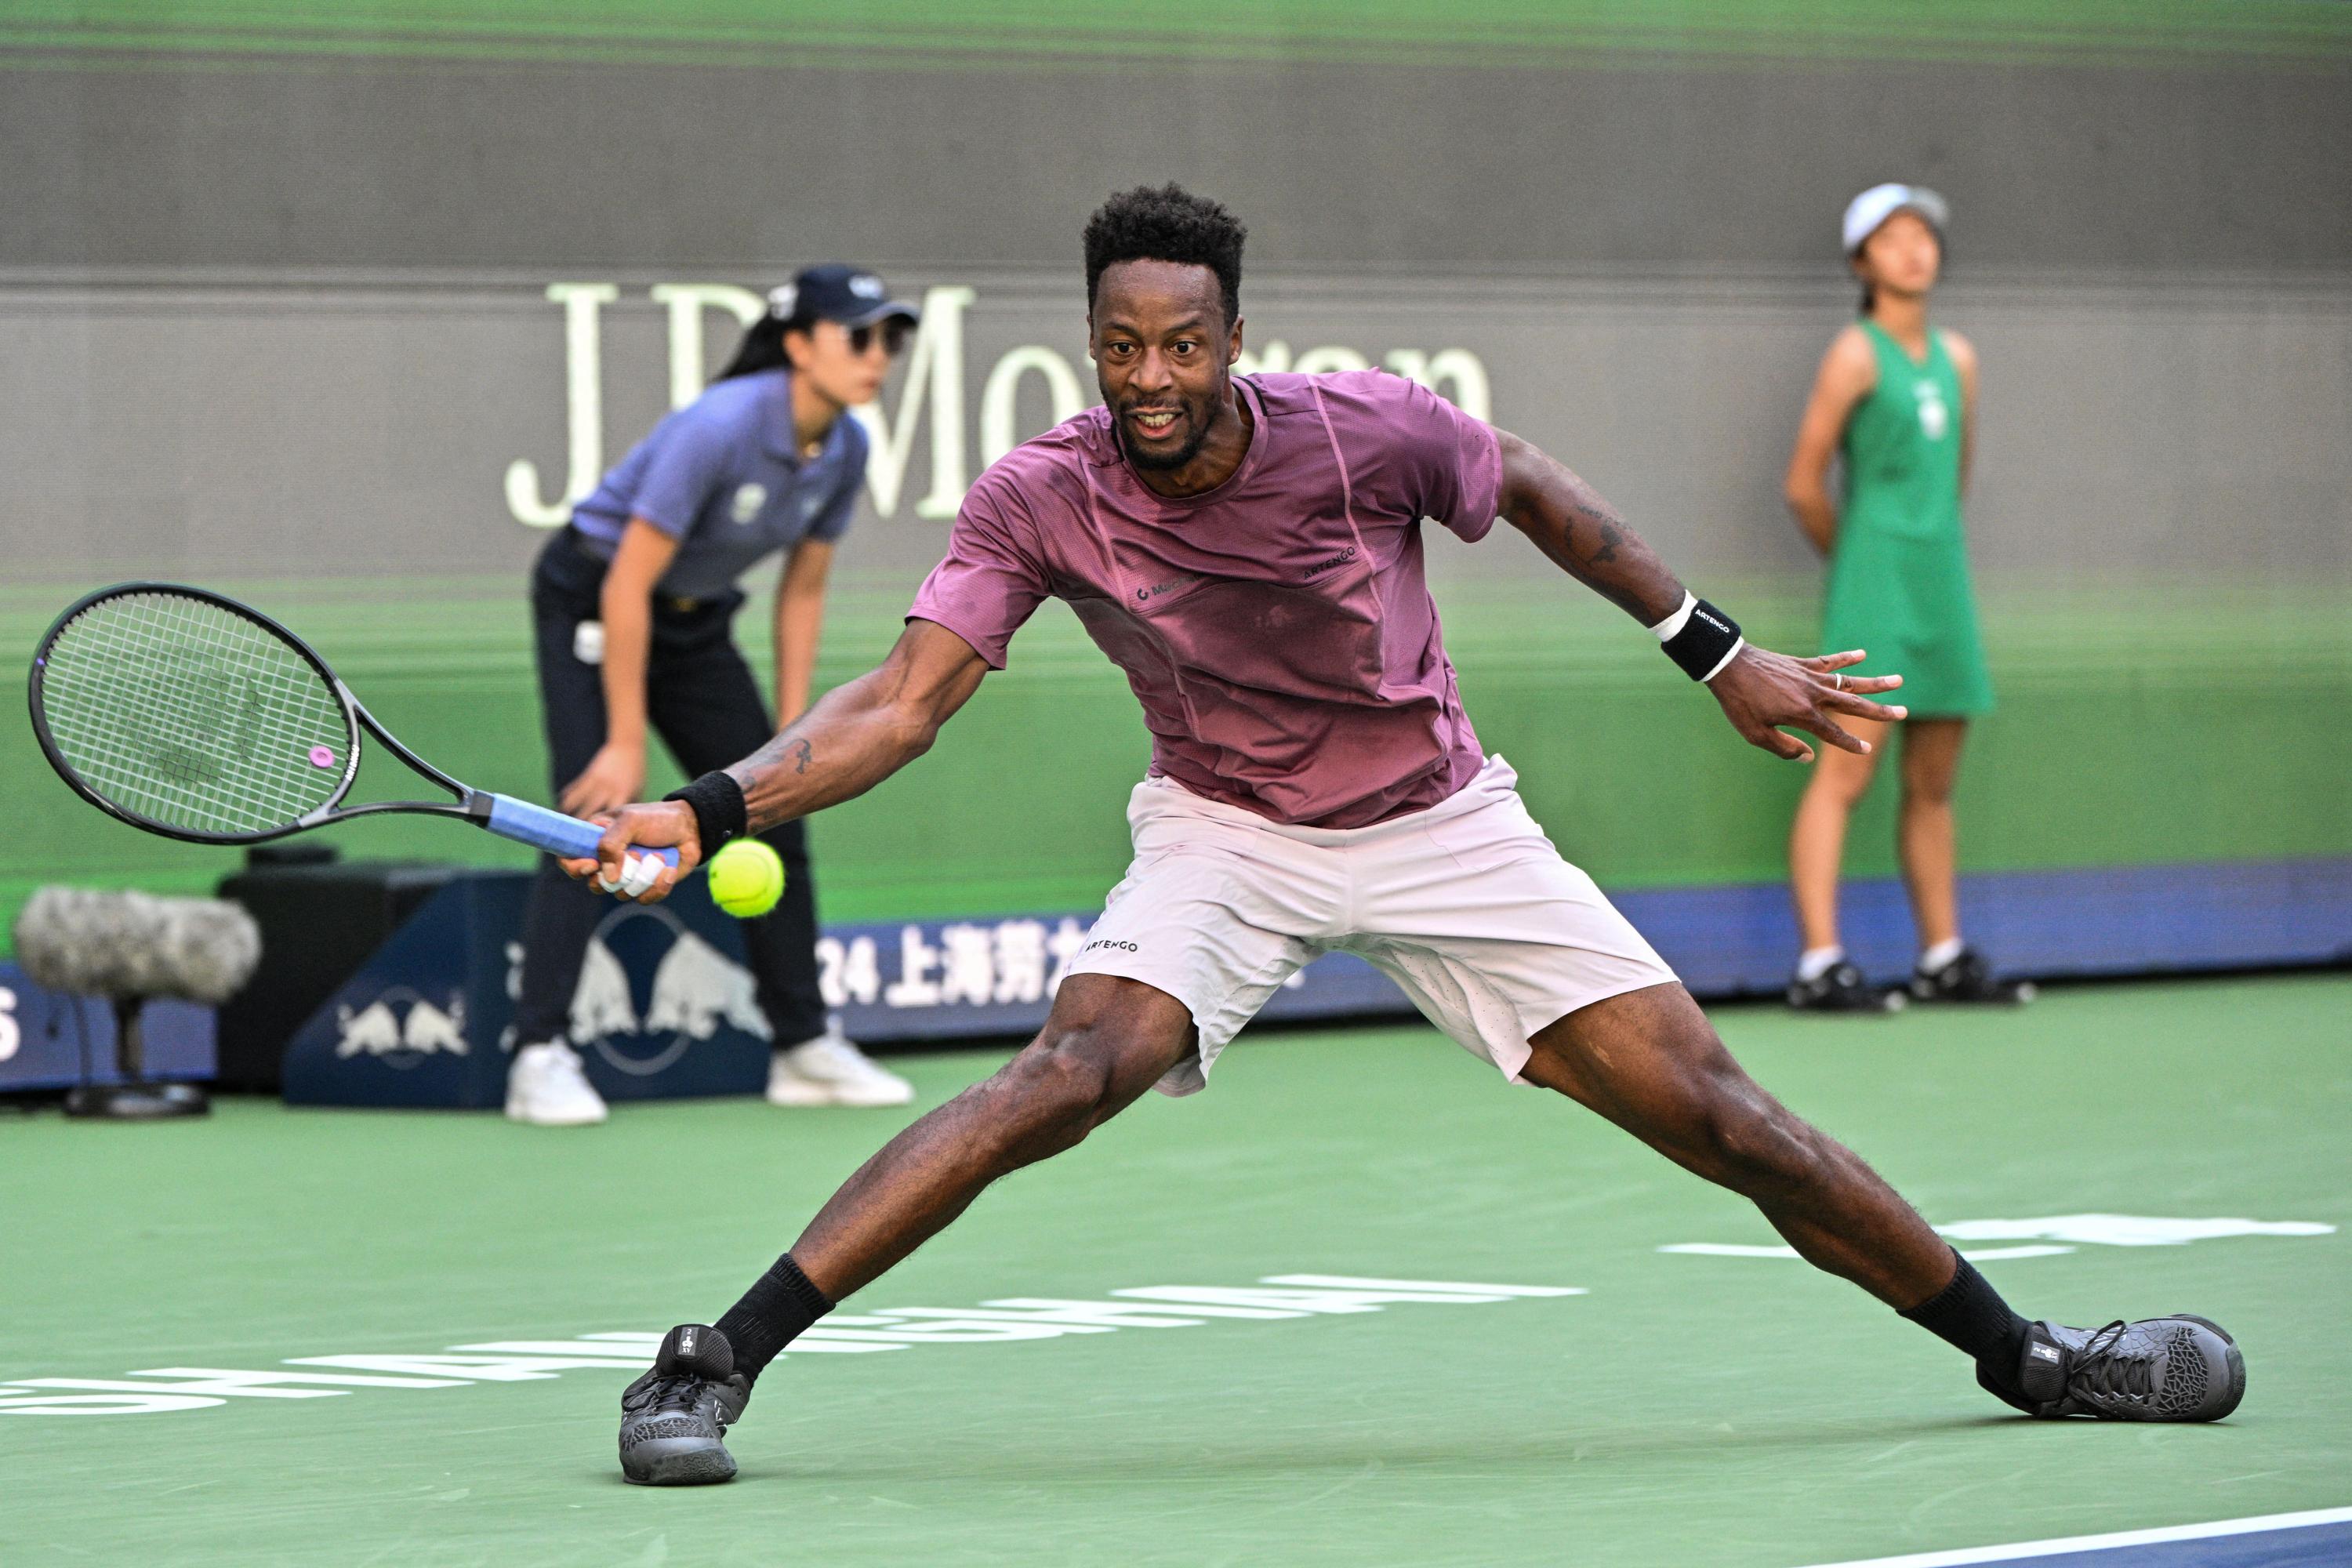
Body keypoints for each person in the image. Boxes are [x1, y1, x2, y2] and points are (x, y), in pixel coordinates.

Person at [575, 187, 2243, 1483]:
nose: (1152, 378)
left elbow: (1529, 483)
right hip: (1223, 829)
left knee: (1729, 1120)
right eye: (1122, 346)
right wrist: (701, 805)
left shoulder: (1357, 430)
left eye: (1183, 343)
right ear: (1093, 339)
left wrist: (1718, 653)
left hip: (1439, 818)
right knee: (1064, 1075)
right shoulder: (1044, 491)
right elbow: (899, 703)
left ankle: (2033, 1357)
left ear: (1232, 334)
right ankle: (710, 1358)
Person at [502, 265, 917, 1126]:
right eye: (859, 335)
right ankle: (538, 1052)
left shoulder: (845, 448)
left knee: (774, 801)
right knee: (594, 810)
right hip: (595, 597)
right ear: (800, 344)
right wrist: (623, 738)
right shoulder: (720, 425)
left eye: (890, 339)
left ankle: (803, 1045)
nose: (879, 356)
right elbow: (626, 583)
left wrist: (797, 735)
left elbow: (802, 591)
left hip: (694, 625)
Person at [1781, 185, 2029, 1011]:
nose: (1914, 248)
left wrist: (1921, 555)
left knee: (1934, 782)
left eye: (1923, 233)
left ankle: (1942, 955)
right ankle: (1820, 962)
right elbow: (1804, 485)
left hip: (1941, 584)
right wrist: (1859, 568)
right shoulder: (1853, 354)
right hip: (1875, 586)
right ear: (1862, 262)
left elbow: (1954, 477)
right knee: (1844, 775)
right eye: (1892, 237)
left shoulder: (1959, 358)